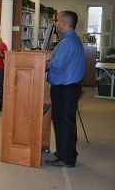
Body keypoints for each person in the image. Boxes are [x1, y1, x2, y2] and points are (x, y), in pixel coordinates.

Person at [45, 11, 85, 168]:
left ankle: (66, 158)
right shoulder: (72, 39)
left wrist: (47, 63)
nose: (55, 24)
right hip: (70, 88)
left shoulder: (67, 42)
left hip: (65, 89)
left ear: (63, 22)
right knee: (65, 122)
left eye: (57, 21)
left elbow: (58, 65)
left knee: (64, 123)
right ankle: (65, 153)